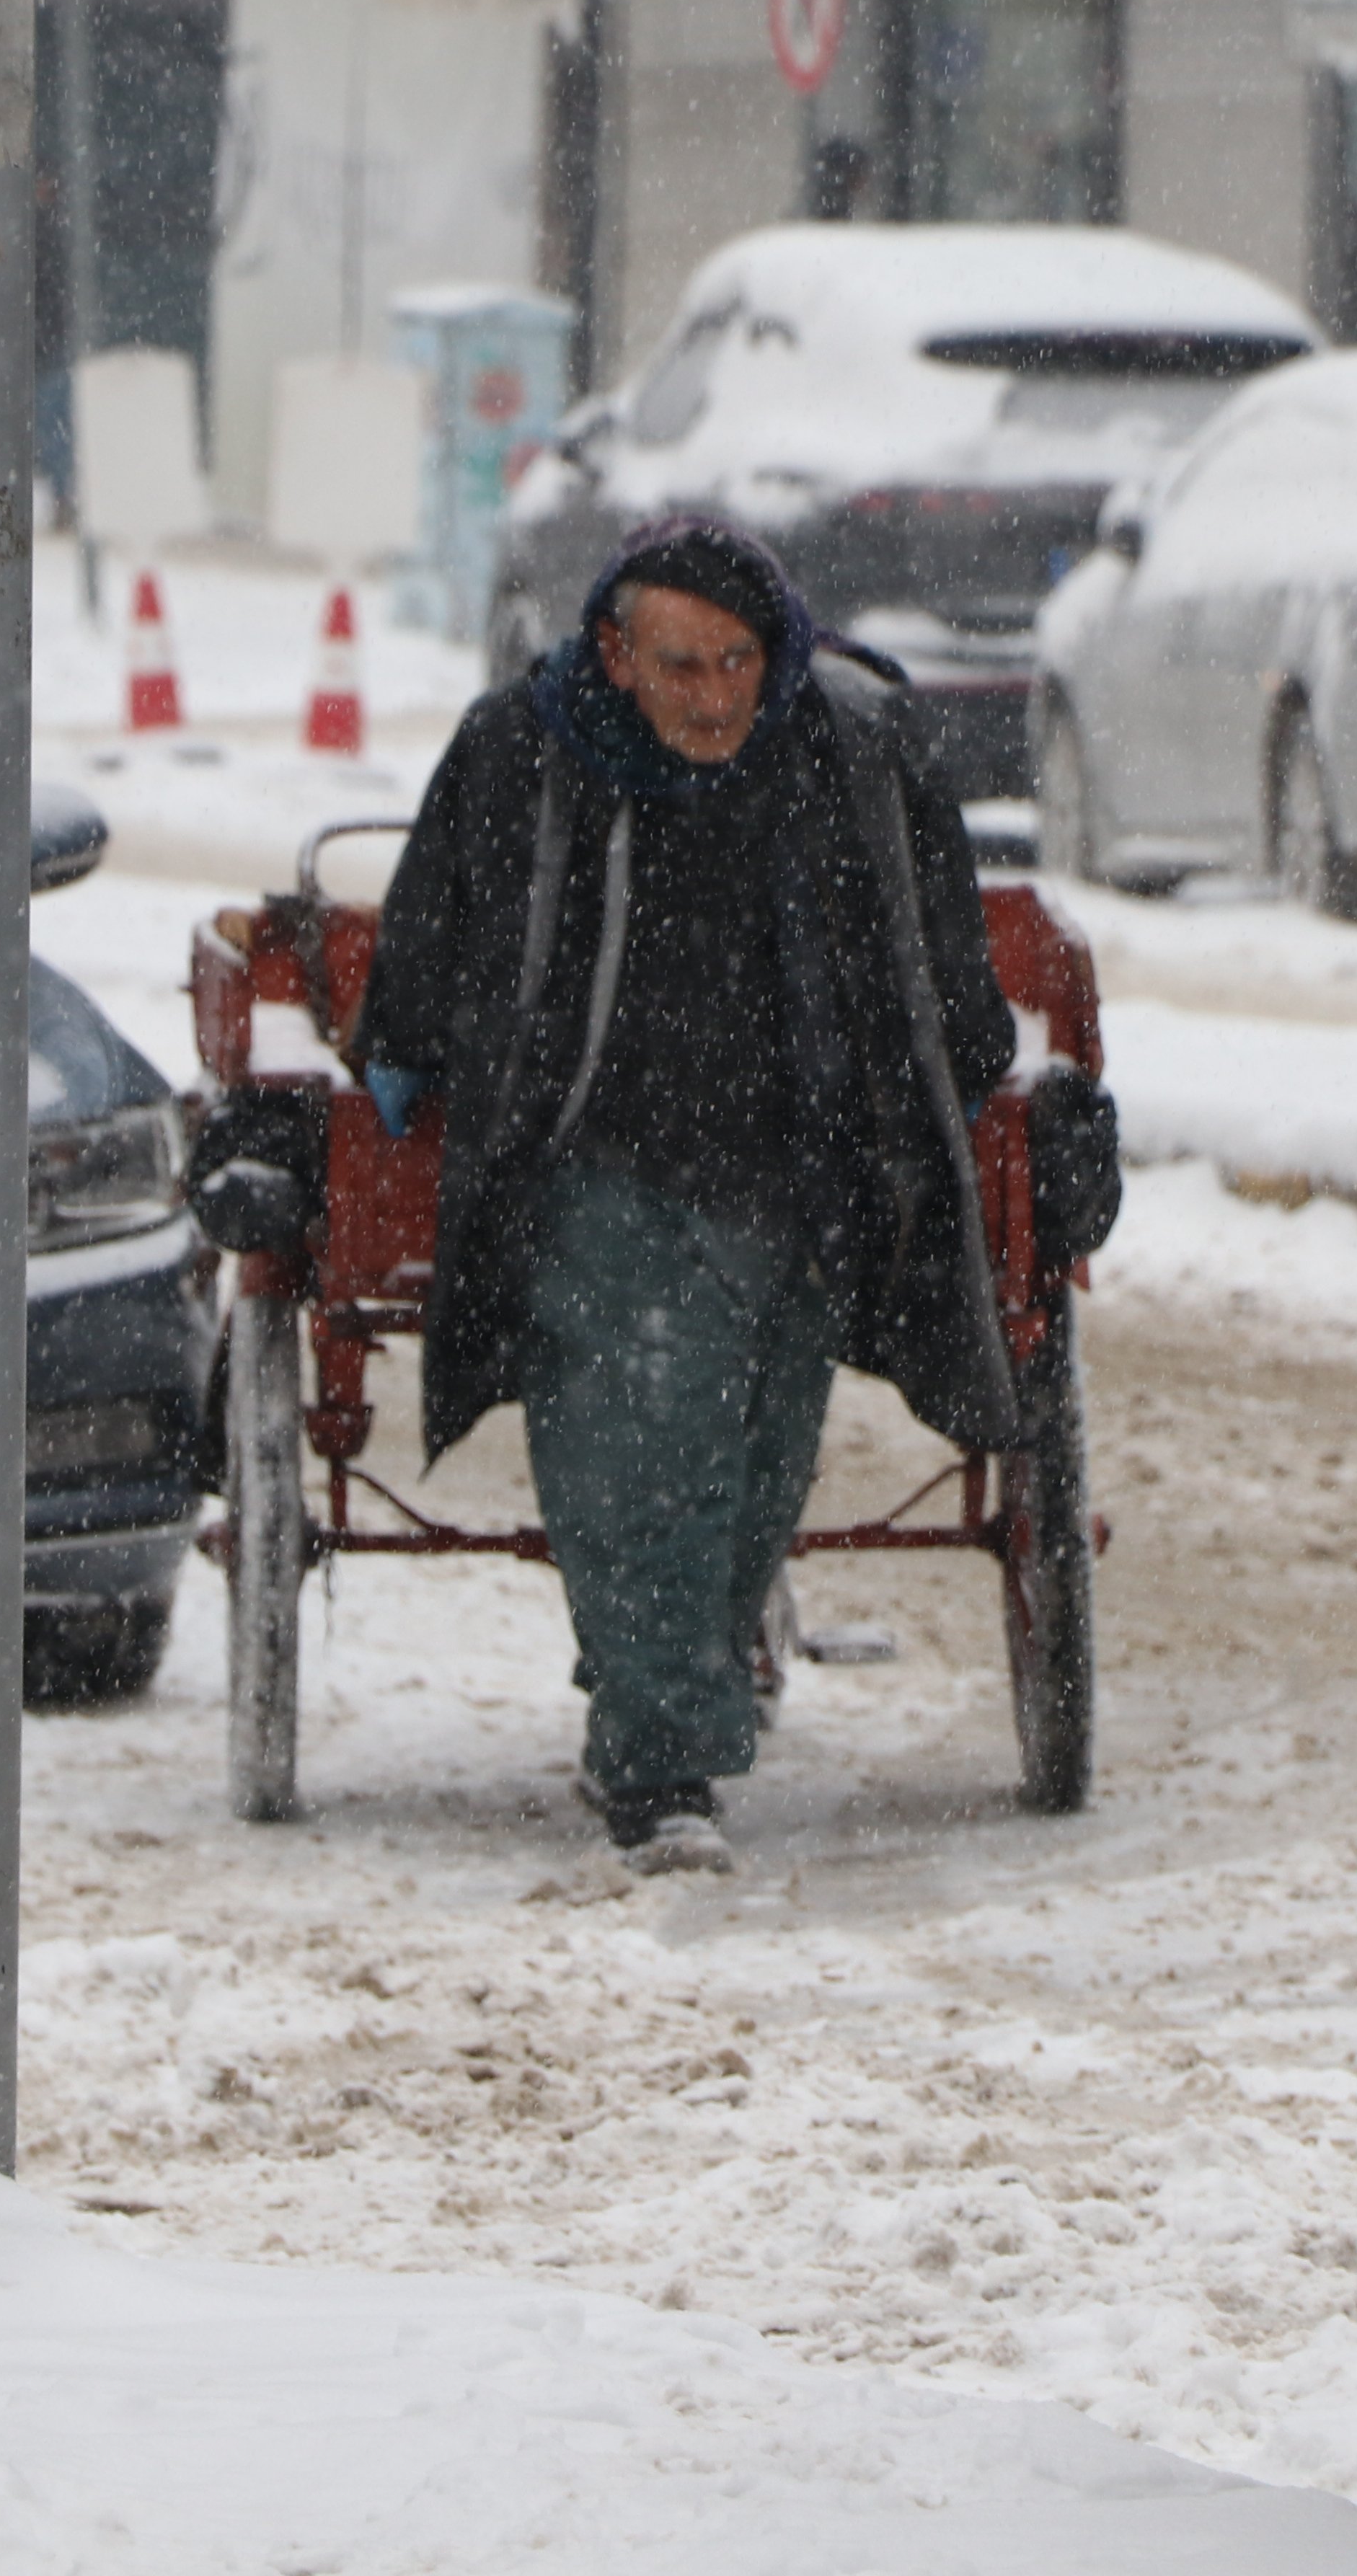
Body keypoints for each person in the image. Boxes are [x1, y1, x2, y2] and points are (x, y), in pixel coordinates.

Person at [345, 518, 1030, 1876]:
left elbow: (939, 948)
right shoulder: (518, 748)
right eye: (680, 666)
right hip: (593, 1162)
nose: (715, 698)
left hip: (802, 1165)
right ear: (614, 655)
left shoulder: (854, 746)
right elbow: (430, 932)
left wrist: (954, 1071)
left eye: (737, 662)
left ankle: (674, 1684)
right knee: (635, 1441)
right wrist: (406, 1054)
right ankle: (659, 1764)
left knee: (760, 1455)